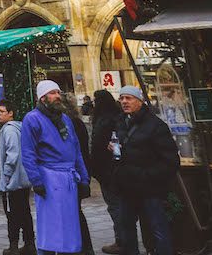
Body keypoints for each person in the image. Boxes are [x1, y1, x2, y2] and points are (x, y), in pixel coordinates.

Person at [21, 80, 90, 255]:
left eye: (58, 93)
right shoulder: (32, 118)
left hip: (69, 177)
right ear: (42, 97)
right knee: (51, 225)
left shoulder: (65, 119)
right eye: (53, 93)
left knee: (70, 224)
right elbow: (28, 153)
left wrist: (84, 178)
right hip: (48, 178)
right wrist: (36, 180)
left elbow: (76, 150)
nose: (57, 96)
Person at [111, 86, 179, 255]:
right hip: (127, 186)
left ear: (140, 101)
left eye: (129, 98)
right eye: (122, 98)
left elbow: (171, 160)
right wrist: (115, 152)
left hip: (149, 187)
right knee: (126, 228)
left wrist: (147, 176)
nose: (124, 102)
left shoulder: (156, 125)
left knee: (157, 228)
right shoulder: (121, 122)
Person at [0, 101, 34, 255]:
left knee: (12, 213)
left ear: (11, 113)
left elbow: (13, 155)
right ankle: (30, 244)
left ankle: (13, 246)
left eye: (2, 111)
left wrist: (6, 175)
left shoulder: (9, 130)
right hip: (23, 179)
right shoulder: (20, 128)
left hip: (13, 181)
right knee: (24, 211)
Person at [89, 90, 123, 253]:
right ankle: (123, 239)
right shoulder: (117, 116)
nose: (93, 103)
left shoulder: (104, 120)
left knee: (115, 205)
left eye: (95, 100)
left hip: (107, 170)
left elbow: (98, 146)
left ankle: (122, 241)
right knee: (118, 205)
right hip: (113, 169)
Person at [61, 93, 95, 255]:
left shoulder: (69, 124)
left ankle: (82, 246)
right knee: (75, 210)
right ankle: (84, 246)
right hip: (80, 172)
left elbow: (78, 152)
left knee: (74, 211)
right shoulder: (78, 123)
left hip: (74, 173)